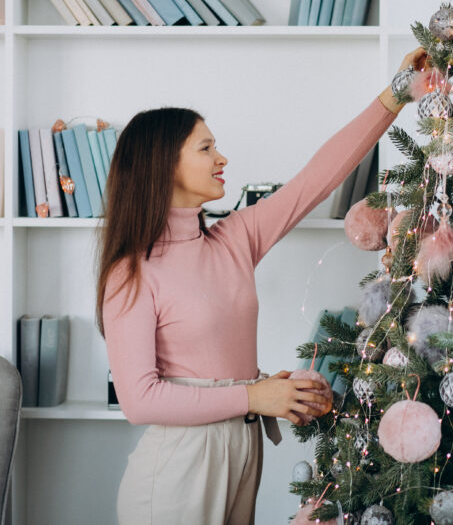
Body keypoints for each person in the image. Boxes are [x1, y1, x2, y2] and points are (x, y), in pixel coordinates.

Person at [95, 46, 430, 525]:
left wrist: (395, 95)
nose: (221, 156)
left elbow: (316, 178)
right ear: (164, 164)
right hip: (178, 469)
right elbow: (139, 399)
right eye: (206, 147)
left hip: (243, 447)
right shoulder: (132, 270)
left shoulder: (233, 238)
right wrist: (253, 397)